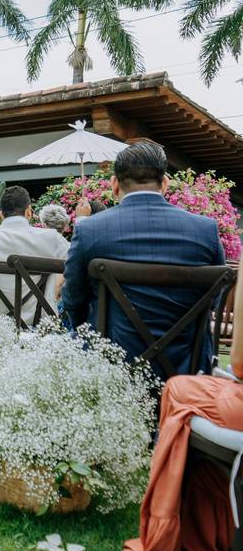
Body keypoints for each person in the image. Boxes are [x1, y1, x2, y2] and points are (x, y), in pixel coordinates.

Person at [62, 141, 224, 379]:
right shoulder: (205, 230)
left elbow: (73, 299)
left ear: (115, 184)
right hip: (185, 369)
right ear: (165, 183)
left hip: (109, 367)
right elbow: (211, 302)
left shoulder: (90, 230)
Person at [123, 271, 243, 551]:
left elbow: (239, 362)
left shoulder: (92, 232)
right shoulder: (205, 238)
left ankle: (171, 533)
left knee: (179, 391)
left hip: (121, 346)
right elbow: (212, 297)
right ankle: (206, 529)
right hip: (185, 347)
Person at [0, 186, 70, 325]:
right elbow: (78, 264)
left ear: (1, 214)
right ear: (29, 211)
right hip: (39, 327)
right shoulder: (52, 239)